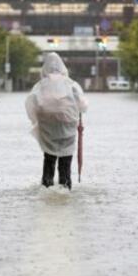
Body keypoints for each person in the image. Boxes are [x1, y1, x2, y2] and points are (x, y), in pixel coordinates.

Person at [25, 52, 88, 190]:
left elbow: (31, 103)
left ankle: (47, 185)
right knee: (65, 159)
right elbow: (82, 105)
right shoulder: (71, 84)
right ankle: (65, 187)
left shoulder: (41, 85)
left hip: (48, 127)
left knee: (49, 157)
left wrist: (36, 120)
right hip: (67, 126)